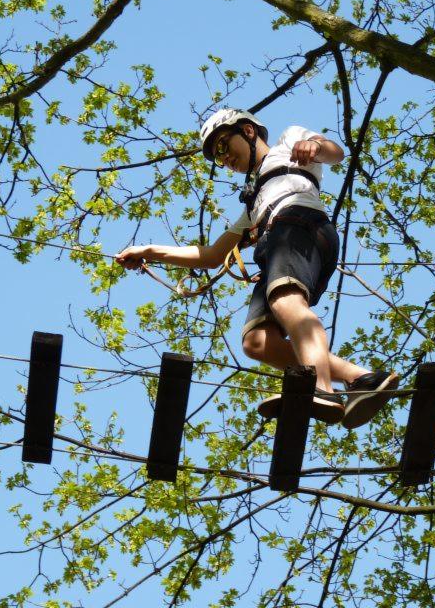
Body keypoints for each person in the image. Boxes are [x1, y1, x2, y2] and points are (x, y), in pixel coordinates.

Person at [115, 108, 398, 427]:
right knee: (257, 341)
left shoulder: (288, 144)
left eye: (223, 146)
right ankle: (361, 379)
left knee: (287, 302)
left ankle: (320, 388)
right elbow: (212, 255)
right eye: (217, 157)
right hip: (278, 240)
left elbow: (336, 153)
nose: (224, 159)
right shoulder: (253, 207)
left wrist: (315, 146)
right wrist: (149, 251)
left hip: (298, 224)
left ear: (248, 131)